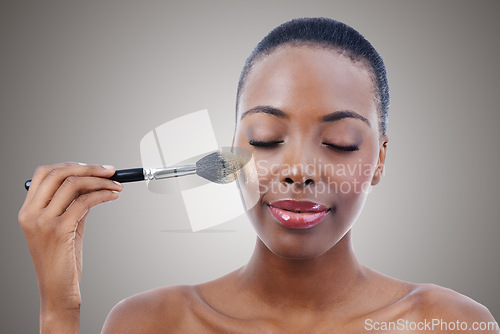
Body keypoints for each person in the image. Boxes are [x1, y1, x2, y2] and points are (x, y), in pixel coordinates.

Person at [19, 17, 498, 333]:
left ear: (380, 160)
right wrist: (59, 309)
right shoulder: (152, 322)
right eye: (267, 137)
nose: (298, 171)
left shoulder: (446, 322)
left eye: (340, 142)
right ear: (232, 150)